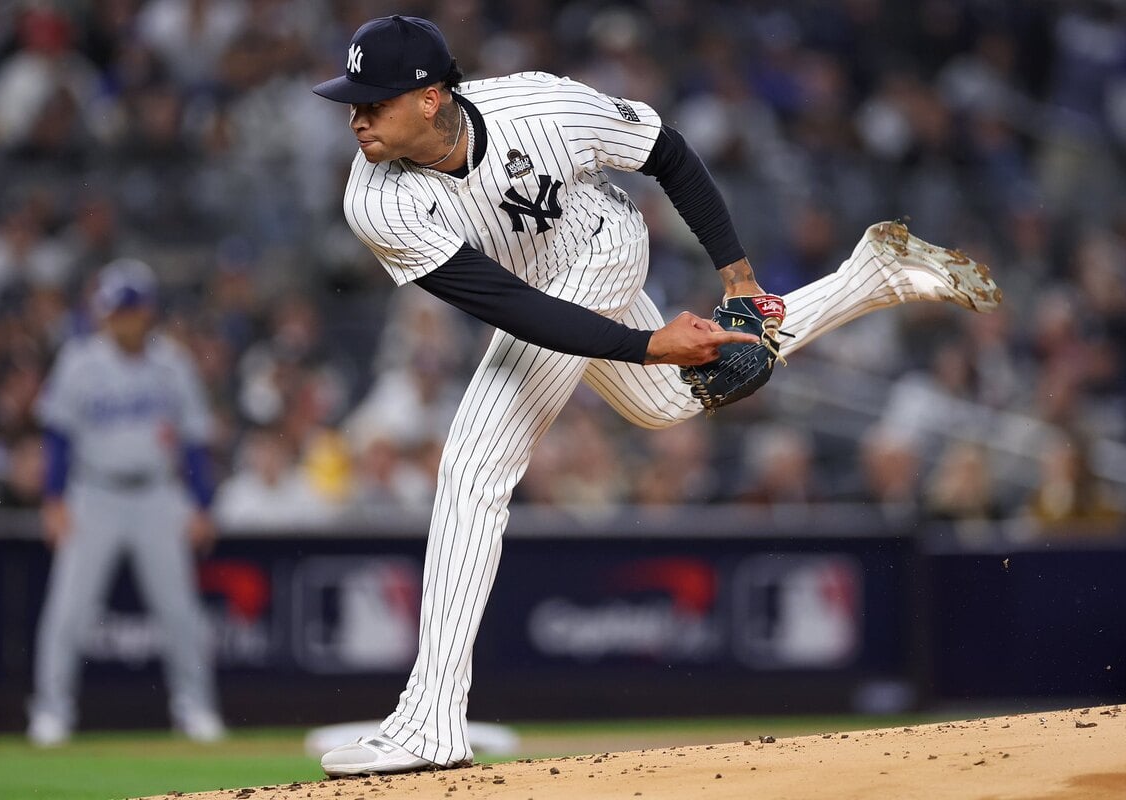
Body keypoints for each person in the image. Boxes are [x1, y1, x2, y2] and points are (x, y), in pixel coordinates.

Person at [311, 15, 1001, 775]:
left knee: (473, 468)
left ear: (434, 97)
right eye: (352, 100)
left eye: (374, 100)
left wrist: (736, 274)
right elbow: (509, 306)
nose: (357, 115)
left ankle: (430, 723)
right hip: (539, 294)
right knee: (668, 401)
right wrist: (650, 347)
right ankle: (870, 276)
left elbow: (666, 151)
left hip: (605, 246)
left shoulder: (541, 108)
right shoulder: (375, 199)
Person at [27, 259, 225, 747]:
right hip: (93, 494)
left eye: (132, 309)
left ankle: (194, 707)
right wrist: (53, 499)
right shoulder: (79, 360)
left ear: (148, 311)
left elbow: (195, 442)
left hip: (159, 494)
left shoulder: (172, 363)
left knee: (179, 611)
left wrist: (201, 504)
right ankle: (51, 711)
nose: (124, 318)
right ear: (104, 313)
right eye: (116, 310)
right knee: (67, 611)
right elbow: (57, 436)